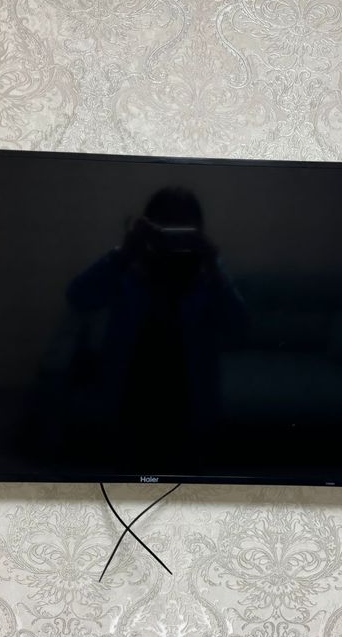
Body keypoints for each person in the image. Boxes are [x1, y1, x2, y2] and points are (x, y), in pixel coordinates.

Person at [65, 186, 247, 449]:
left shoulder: (207, 274)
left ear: (197, 231)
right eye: (166, 227)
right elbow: (79, 297)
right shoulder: (129, 267)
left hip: (189, 401)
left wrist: (213, 265)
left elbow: (239, 326)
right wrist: (123, 253)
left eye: (182, 229)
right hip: (131, 396)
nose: (173, 240)